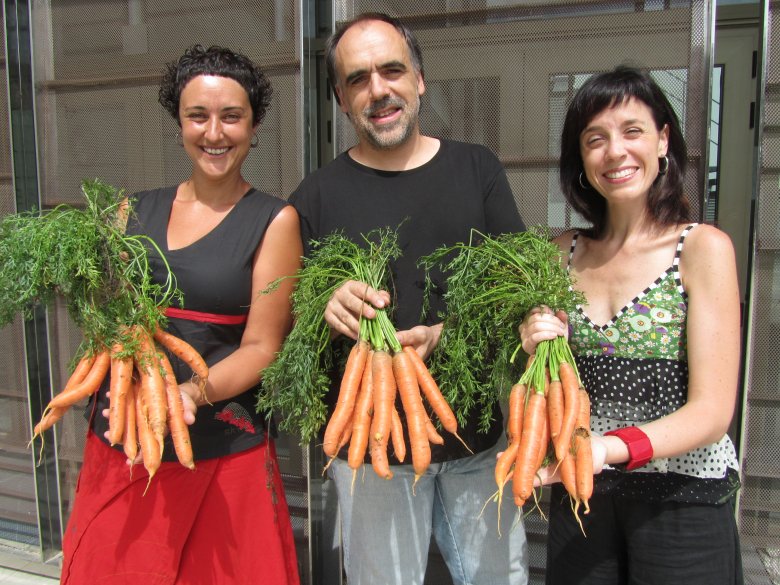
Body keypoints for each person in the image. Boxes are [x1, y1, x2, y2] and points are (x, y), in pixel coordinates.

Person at [290, 12, 529, 585]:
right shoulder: (315, 196)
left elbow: (520, 296)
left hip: (475, 439)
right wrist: (323, 304)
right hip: (373, 451)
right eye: (357, 79)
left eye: (392, 70)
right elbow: (287, 318)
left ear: (419, 80)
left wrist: (450, 337)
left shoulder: (477, 169)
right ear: (342, 102)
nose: (378, 90)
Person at [60, 45, 302, 585]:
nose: (214, 132)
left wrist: (189, 394)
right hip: (124, 436)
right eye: (198, 116)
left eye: (231, 116)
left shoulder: (274, 220)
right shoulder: (130, 210)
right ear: (179, 124)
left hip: (218, 444)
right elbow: (109, 321)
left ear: (254, 125)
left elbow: (263, 348)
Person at [520, 65, 743, 585]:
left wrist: (606, 449)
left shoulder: (701, 249)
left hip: (681, 498)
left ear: (663, 140)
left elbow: (712, 412)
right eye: (594, 139)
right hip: (583, 495)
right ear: (580, 159)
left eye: (632, 131)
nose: (614, 151)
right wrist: (532, 350)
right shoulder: (560, 254)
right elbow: (547, 389)